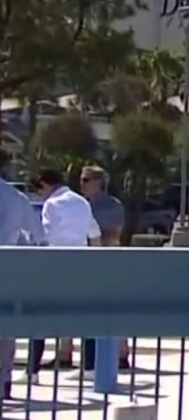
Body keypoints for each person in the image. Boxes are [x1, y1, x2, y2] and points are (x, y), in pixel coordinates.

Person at [24, 169, 99, 383]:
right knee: (85, 316)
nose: (41, 196)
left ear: (45, 185)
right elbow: (94, 234)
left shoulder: (52, 204)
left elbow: (44, 236)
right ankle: (89, 368)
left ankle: (32, 371)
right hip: (82, 265)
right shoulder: (81, 202)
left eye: (40, 191)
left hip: (54, 266)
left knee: (39, 316)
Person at [0, 151, 45, 399]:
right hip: (6, 268)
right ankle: (4, 380)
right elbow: (38, 237)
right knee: (5, 329)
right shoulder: (17, 198)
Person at [78, 166, 130, 371]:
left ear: (98, 182)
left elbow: (113, 234)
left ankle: (121, 354)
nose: (81, 184)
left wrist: (93, 238)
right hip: (88, 262)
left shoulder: (111, 205)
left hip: (108, 260)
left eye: (85, 180)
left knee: (113, 308)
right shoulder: (81, 205)